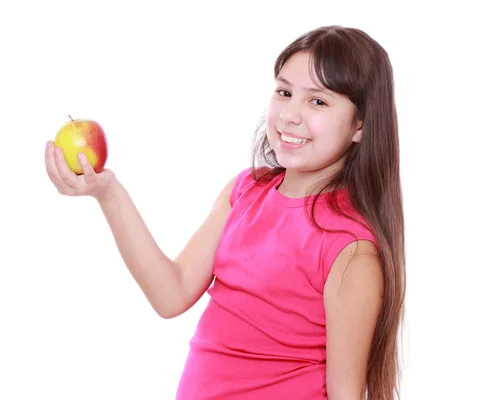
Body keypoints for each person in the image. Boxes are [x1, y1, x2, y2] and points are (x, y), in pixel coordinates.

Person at [44, 25, 406, 400]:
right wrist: (109, 193)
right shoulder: (245, 191)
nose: (290, 115)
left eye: (318, 101)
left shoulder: (350, 248)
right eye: (284, 92)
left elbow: (346, 394)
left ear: (360, 124)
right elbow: (171, 294)